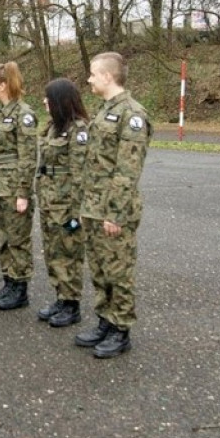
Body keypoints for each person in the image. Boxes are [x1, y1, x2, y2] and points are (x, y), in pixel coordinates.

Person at [74, 52, 151, 358]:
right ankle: (105, 320)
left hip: (113, 209)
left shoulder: (131, 115)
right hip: (94, 205)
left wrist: (115, 212)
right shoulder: (104, 110)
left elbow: (127, 170)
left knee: (118, 271)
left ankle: (121, 329)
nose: (89, 79)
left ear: (107, 76)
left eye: (93, 74)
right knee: (100, 268)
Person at [0, 61, 39, 311]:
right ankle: (8, 282)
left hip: (13, 187)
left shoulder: (22, 114)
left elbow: (27, 157)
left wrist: (23, 192)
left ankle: (20, 288)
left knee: (18, 241)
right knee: (3, 238)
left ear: (3, 85)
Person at [35, 78, 89, 328]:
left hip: (66, 204)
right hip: (49, 201)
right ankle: (60, 297)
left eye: (48, 97)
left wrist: (77, 213)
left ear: (60, 100)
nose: (44, 101)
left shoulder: (79, 131)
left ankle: (71, 303)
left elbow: (80, 174)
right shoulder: (52, 128)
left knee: (69, 253)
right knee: (53, 252)